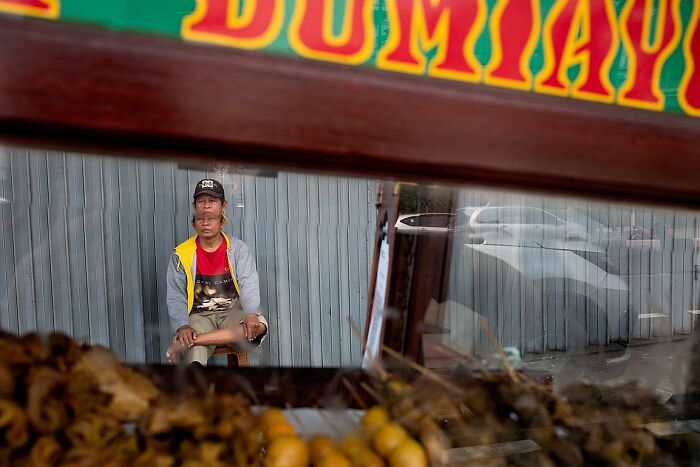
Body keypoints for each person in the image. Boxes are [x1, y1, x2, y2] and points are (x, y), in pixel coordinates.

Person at [166, 178, 267, 365]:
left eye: (212, 202)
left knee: (258, 326)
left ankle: (192, 340)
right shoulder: (182, 253)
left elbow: (249, 283)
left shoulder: (238, 249)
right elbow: (176, 295)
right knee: (192, 344)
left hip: (231, 314)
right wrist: (182, 325)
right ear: (194, 220)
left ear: (223, 215)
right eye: (201, 202)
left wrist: (251, 313)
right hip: (199, 316)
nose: (206, 208)